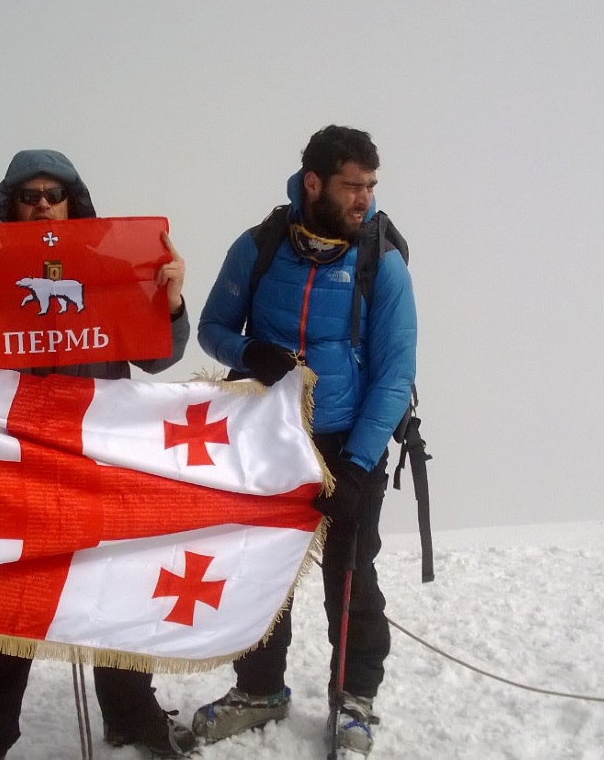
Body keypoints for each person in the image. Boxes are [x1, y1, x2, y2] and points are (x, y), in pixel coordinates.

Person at [0, 149, 196, 759]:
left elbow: (157, 355)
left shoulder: (109, 269)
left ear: (74, 202)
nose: (42, 204)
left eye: (54, 194)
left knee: (112, 592)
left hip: (97, 461)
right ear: (10, 206)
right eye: (29, 195)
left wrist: (169, 299)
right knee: (7, 610)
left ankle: (131, 715)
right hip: (13, 465)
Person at [192, 126, 417, 756]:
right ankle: (260, 689)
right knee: (264, 569)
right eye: (352, 185)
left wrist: (356, 464)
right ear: (313, 183)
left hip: (351, 441)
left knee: (350, 574)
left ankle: (354, 700)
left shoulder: (382, 262)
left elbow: (396, 373)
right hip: (268, 439)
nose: (363, 199)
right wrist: (248, 351)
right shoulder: (259, 246)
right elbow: (212, 328)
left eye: (371, 186)